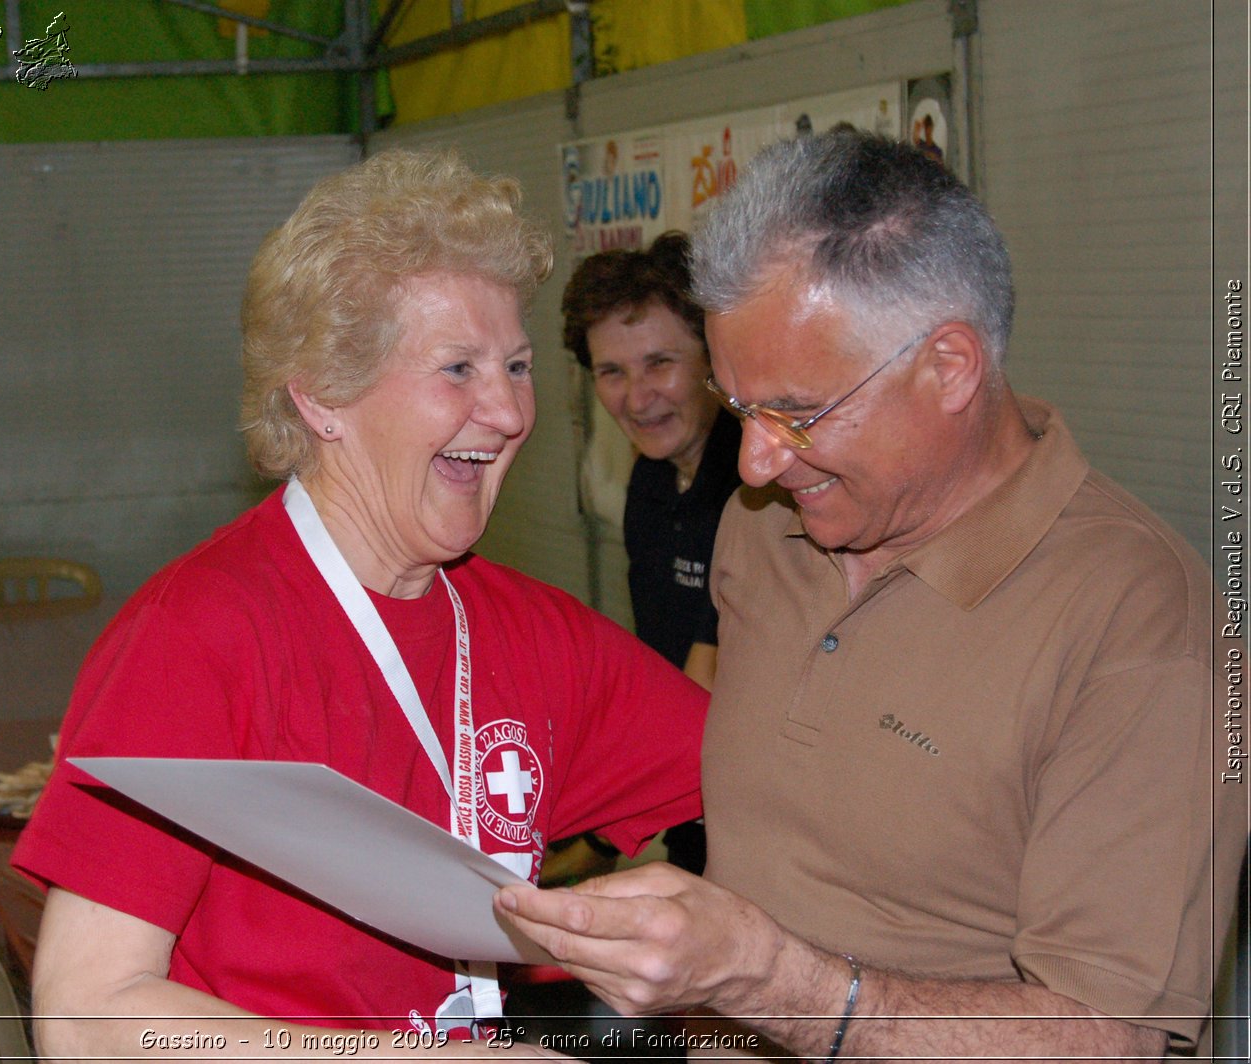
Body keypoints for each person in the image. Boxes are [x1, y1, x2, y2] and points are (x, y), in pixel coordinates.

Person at [497, 128, 1244, 1060]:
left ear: (950, 369)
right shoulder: (764, 527)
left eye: (797, 414)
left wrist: (766, 977)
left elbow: (1109, 1039)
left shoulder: (1145, 622)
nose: (758, 458)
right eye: (740, 410)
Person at [12, 149, 708, 1059]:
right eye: (458, 369)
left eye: (519, 365)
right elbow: (84, 1014)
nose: (507, 411)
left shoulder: (535, 634)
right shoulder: (200, 635)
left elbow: (772, 790)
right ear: (324, 395)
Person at [560, 233, 741, 876]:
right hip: (693, 815)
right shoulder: (651, 481)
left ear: (713, 359)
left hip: (763, 832)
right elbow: (655, 666)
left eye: (660, 362)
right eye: (613, 372)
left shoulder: (755, 486)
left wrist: (601, 839)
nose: (637, 399)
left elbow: (703, 684)